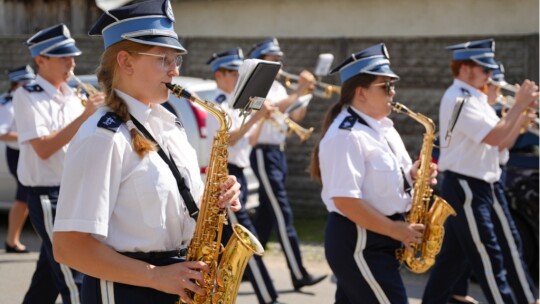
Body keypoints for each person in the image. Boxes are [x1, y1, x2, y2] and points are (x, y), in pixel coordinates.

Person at [52, 1, 241, 303]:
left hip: (175, 280)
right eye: (164, 59)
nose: (175, 70)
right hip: (127, 289)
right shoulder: (102, 137)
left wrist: (215, 198)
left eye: (176, 58)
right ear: (126, 62)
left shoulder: (169, 125)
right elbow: (69, 246)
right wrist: (155, 275)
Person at [310, 43, 430, 304]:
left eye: (392, 85)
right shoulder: (346, 135)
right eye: (386, 86)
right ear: (361, 92)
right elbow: (345, 200)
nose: (393, 91)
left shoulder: (383, 127)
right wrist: (396, 230)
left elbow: (381, 183)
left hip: (378, 239)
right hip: (360, 242)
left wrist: (414, 175)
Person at [422, 39, 539, 304]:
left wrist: (522, 114)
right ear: (465, 68)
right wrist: (519, 106)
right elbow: (494, 137)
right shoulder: (460, 99)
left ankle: (440, 298)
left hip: (481, 183)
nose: (490, 77)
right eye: (485, 70)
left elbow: (503, 143)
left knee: (455, 255)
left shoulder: (475, 99)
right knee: (490, 255)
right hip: (466, 185)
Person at [13, 23, 104, 304]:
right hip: (49, 195)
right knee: (74, 279)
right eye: (64, 57)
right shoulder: (27, 96)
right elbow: (43, 148)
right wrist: (86, 116)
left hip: (75, 190)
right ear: (40, 60)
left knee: (48, 276)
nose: (72, 63)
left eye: (72, 56)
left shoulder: (74, 95)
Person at [247, 37, 327, 291]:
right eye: (274, 59)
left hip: (277, 152)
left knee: (266, 217)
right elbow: (266, 108)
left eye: (280, 59)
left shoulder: (281, 87)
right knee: (283, 214)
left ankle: (248, 266)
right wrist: (298, 91)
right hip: (261, 152)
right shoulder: (256, 84)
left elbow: (296, 116)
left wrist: (305, 94)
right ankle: (298, 272)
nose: (280, 63)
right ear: (261, 60)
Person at [206, 47, 283, 304]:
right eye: (233, 72)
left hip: (238, 174)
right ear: (219, 74)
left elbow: (249, 140)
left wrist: (261, 118)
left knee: (224, 249)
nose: (238, 76)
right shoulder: (216, 105)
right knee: (246, 240)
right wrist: (256, 117)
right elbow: (228, 140)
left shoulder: (233, 103)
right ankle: (269, 298)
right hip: (224, 176)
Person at [0, 65, 35, 254]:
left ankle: (12, 240)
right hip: (17, 154)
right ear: (16, 85)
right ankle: (12, 241)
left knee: (26, 199)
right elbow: (2, 133)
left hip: (28, 152)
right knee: (24, 197)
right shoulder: (8, 104)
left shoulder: (26, 100)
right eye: (26, 83)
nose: (30, 86)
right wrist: (29, 136)